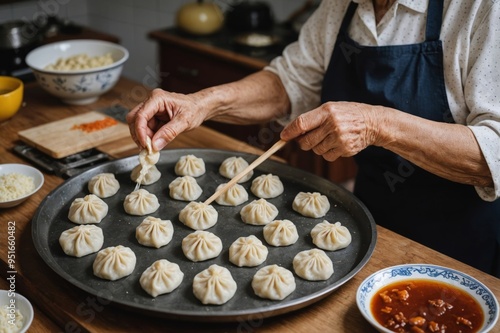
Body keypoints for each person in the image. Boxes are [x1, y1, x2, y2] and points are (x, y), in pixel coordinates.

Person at [127, 0, 500, 277]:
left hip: (460, 245)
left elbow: (494, 151)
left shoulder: (480, 9)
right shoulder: (344, 6)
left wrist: (377, 124)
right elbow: (289, 81)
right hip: (367, 224)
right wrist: (202, 104)